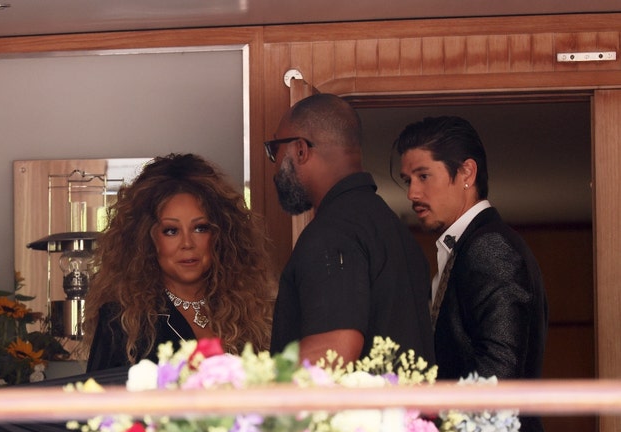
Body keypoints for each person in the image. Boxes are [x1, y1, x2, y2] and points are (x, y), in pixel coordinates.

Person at [395, 115, 551, 432]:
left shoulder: (490, 247)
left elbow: (499, 374)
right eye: (408, 180)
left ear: (466, 173)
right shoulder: (467, 247)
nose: (412, 194)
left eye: (423, 176)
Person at [267, 93, 435, 367]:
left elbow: (334, 349)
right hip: (403, 409)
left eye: (275, 150)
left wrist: (255, 390)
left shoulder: (333, 231)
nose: (274, 164)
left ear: (300, 150)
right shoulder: (393, 228)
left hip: (359, 411)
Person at [82, 153, 275, 371]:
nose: (187, 243)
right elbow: (98, 400)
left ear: (221, 235)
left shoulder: (253, 312)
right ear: (146, 240)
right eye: (171, 231)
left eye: (200, 228)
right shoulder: (123, 319)